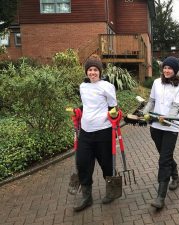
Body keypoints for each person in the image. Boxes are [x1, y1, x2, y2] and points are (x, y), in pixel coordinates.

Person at [73, 54, 118, 212]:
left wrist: (114, 115)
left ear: (100, 71)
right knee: (83, 163)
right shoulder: (83, 86)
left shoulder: (107, 86)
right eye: (90, 70)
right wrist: (79, 111)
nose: (92, 72)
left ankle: (111, 191)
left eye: (95, 70)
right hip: (85, 132)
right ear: (86, 72)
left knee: (106, 163)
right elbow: (86, 104)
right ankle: (87, 197)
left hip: (103, 131)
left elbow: (113, 107)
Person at [142, 56, 179, 209]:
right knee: (165, 156)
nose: (167, 70)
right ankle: (175, 176)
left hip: (171, 126)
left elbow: (176, 106)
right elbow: (151, 101)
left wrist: (168, 117)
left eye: (170, 68)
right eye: (165, 68)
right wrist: (144, 113)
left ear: (175, 70)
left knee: (164, 159)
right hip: (155, 126)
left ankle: (160, 197)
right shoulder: (156, 82)